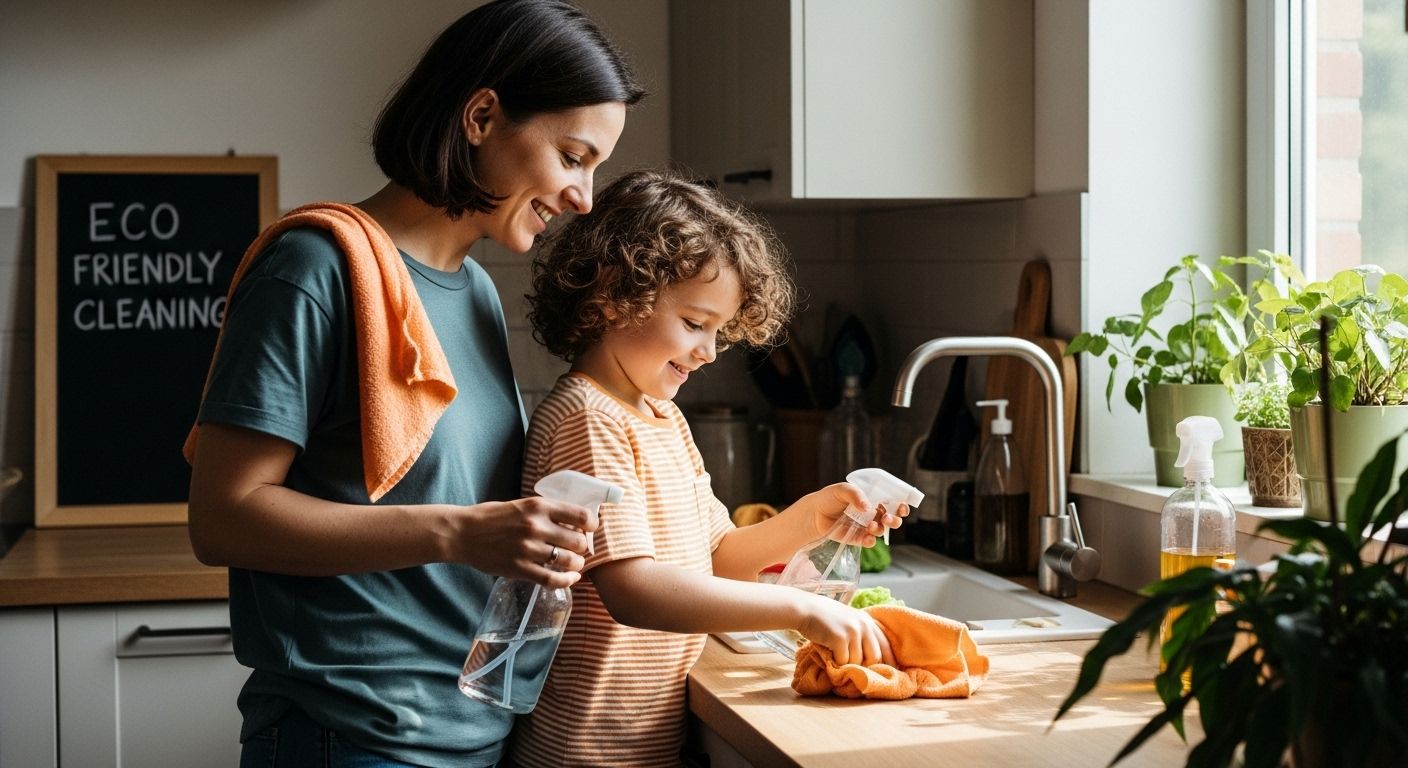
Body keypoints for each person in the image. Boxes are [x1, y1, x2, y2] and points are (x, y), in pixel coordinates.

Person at [183, 2, 645, 766]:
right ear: (483, 116)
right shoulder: (314, 269)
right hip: (350, 737)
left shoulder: (476, 292)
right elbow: (223, 519)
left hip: (469, 733)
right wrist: (462, 532)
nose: (583, 197)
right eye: (572, 156)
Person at [512, 169, 906, 767]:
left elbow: (719, 555)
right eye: (695, 323)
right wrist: (802, 607)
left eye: (719, 331)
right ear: (616, 295)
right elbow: (635, 592)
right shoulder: (587, 418)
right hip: (582, 753)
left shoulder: (662, 419)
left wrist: (814, 516)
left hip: (642, 747)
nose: (709, 350)